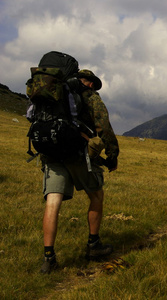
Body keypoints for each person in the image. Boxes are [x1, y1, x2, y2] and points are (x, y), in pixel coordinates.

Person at [40, 69, 119, 274]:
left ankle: (49, 258)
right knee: (96, 195)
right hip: (78, 153)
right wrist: (112, 155)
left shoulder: (52, 94)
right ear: (91, 83)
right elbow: (103, 126)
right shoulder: (89, 96)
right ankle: (93, 245)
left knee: (52, 202)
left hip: (51, 153)